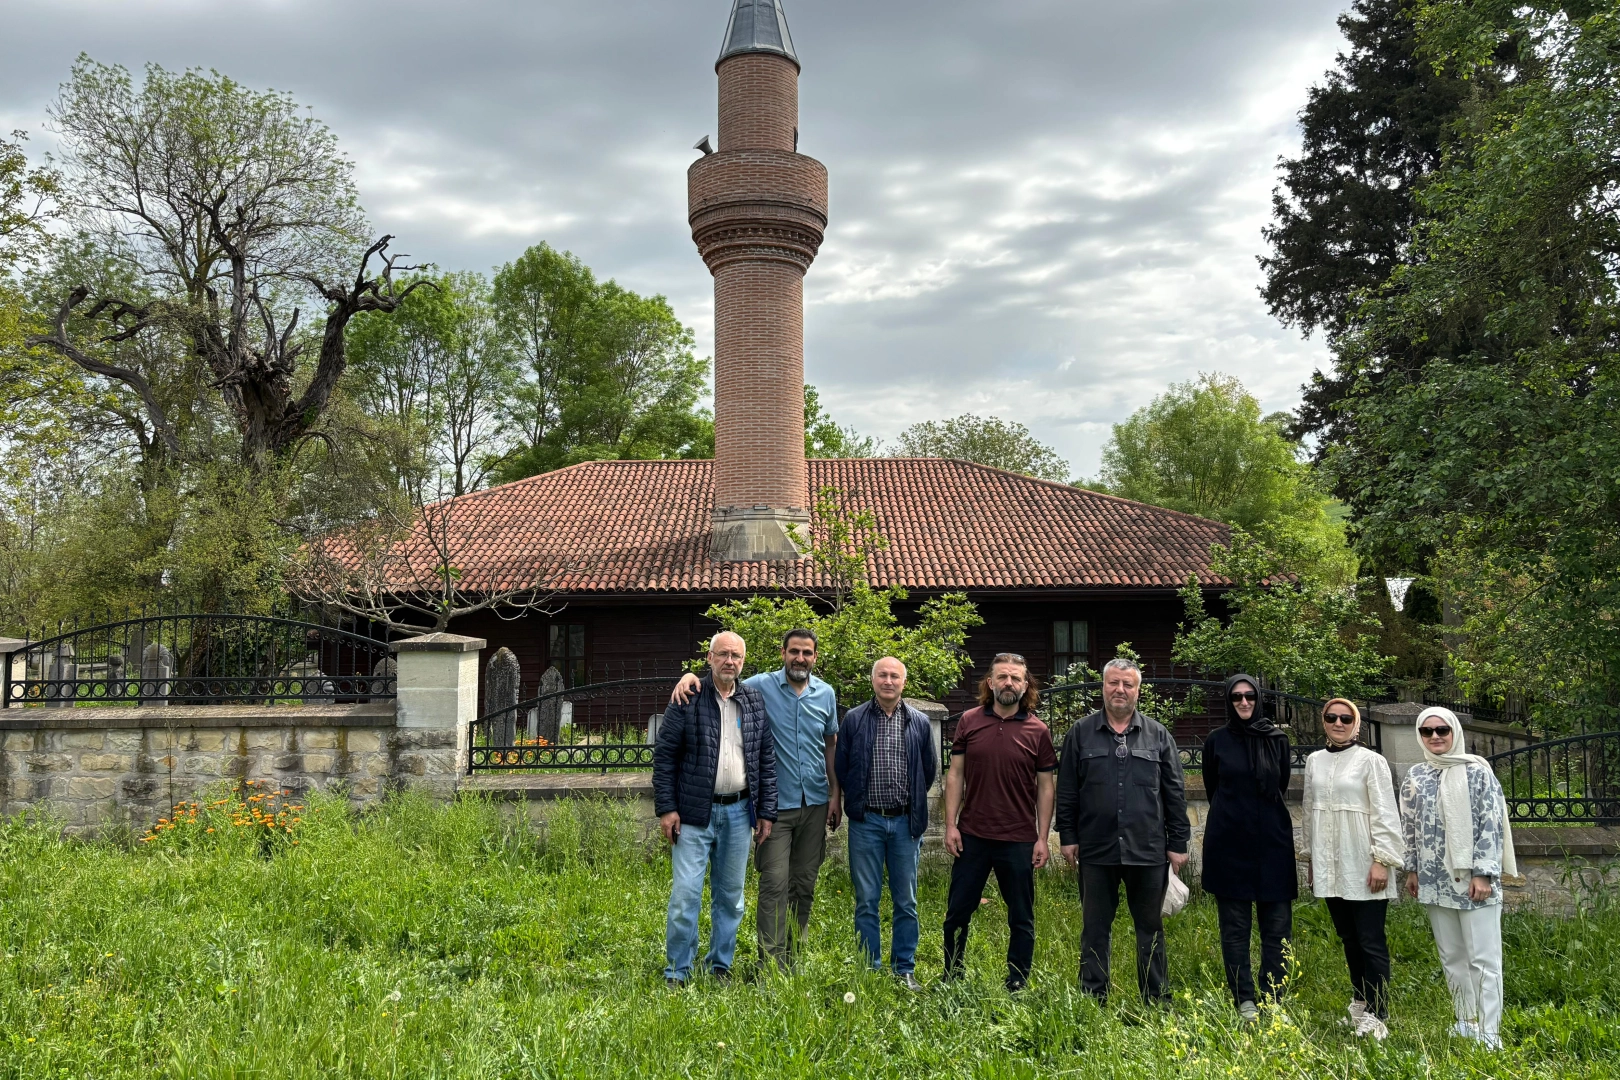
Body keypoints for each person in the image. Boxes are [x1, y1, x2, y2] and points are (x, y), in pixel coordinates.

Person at [670, 629, 838, 970]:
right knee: (770, 887)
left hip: (810, 804)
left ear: (815, 657)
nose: (800, 658)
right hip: (762, 809)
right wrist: (688, 677)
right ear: (783, 653)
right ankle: (766, 965)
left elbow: (827, 745)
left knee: (799, 887)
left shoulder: (823, 694)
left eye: (807, 652)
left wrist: (836, 794)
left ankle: (787, 961)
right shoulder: (759, 688)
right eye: (794, 651)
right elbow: (718, 682)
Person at [1056, 657, 1190, 1004]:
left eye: (1127, 684)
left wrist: (1178, 842)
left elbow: (1174, 792)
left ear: (1138, 690)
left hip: (1147, 850)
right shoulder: (1080, 733)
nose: (1120, 690)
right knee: (1095, 928)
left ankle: (1156, 998)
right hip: (1096, 849)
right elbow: (1068, 790)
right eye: (1114, 683)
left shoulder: (1158, 735)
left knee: (1151, 929)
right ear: (1103, 687)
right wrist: (1067, 837)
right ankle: (1093, 997)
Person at [652, 631, 777, 987]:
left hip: (739, 813)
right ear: (709, 658)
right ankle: (678, 970)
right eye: (723, 654)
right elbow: (665, 757)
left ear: (743, 662)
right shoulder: (687, 697)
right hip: (693, 814)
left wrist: (766, 811)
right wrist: (667, 808)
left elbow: (765, 759)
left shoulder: (753, 701)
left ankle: (720, 966)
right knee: (685, 895)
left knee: (731, 898)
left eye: (736, 656)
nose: (730, 662)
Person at [1401, 706, 1517, 1050]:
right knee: (1451, 956)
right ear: (1419, 736)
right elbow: (1409, 827)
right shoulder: (1415, 775)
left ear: (1454, 732)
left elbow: (1490, 824)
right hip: (1433, 881)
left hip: (1471, 881)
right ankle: (1466, 1020)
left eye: (1442, 730)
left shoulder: (1477, 772)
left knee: (1483, 958)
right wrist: (1412, 869)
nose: (1435, 736)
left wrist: (1483, 873)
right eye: (1427, 731)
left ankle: (1490, 1030)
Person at [941, 653, 1057, 992]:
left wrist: (1042, 837)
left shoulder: (1038, 730)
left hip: (1019, 838)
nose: (1009, 683)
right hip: (972, 835)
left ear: (1025, 686)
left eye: (1016, 678)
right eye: (1003, 677)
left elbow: (1046, 787)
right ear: (990, 683)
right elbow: (955, 774)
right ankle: (952, 975)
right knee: (957, 912)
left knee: (1021, 917)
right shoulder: (969, 721)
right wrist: (951, 825)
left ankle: (1017, 981)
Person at [1301, 698, 1405, 1040]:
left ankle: (1379, 1012)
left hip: (1363, 862)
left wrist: (1382, 860)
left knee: (1370, 939)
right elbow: (1308, 811)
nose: (1338, 723)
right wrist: (1312, 859)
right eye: (1331, 717)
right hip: (1330, 865)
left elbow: (1386, 813)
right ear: (1324, 722)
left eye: (1346, 718)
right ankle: (1360, 1003)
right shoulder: (1314, 761)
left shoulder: (1371, 762)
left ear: (1356, 724)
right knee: (1348, 937)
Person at [834, 656, 938, 989]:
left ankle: (904, 967)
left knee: (906, 900)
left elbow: (929, 769)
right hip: (867, 823)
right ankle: (870, 967)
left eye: (895, 676)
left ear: (904, 682)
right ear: (873, 680)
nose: (888, 681)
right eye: (883, 675)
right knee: (866, 899)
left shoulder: (919, 722)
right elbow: (843, 766)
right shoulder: (854, 719)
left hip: (906, 824)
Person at [1201, 673, 1296, 1020]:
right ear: (1229, 700)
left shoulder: (1277, 739)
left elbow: (1281, 784)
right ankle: (1244, 997)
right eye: (1237, 697)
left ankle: (1273, 996)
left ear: (1259, 699)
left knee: (1277, 926)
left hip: (1272, 843)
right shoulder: (1216, 741)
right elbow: (1213, 788)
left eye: (1250, 697)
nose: (1244, 702)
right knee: (1235, 927)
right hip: (1229, 843)